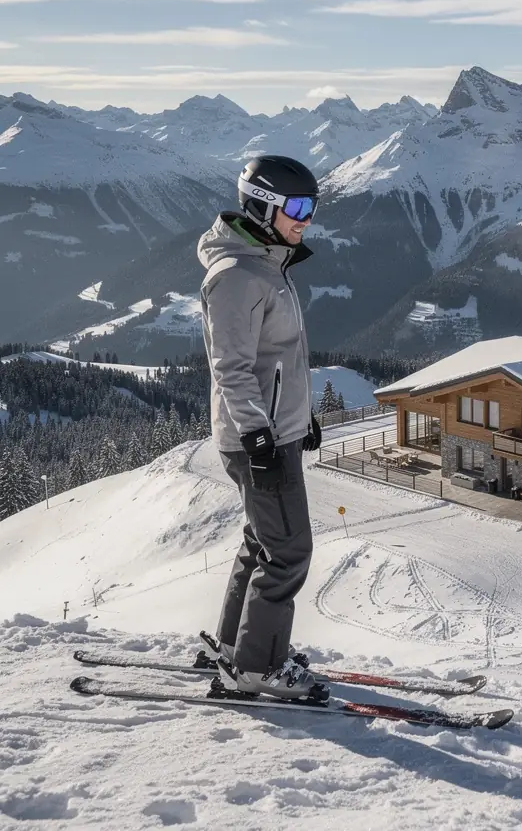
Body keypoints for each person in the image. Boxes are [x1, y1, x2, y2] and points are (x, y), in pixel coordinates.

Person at [196, 155, 323, 699]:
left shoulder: (266, 264)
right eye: (297, 207)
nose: (306, 219)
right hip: (258, 440)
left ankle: (234, 647)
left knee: (261, 540)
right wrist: (259, 437)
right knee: (289, 551)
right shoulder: (237, 276)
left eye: (311, 207)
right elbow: (231, 368)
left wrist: (301, 417)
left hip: (274, 430)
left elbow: (279, 359)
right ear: (264, 205)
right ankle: (256, 669)